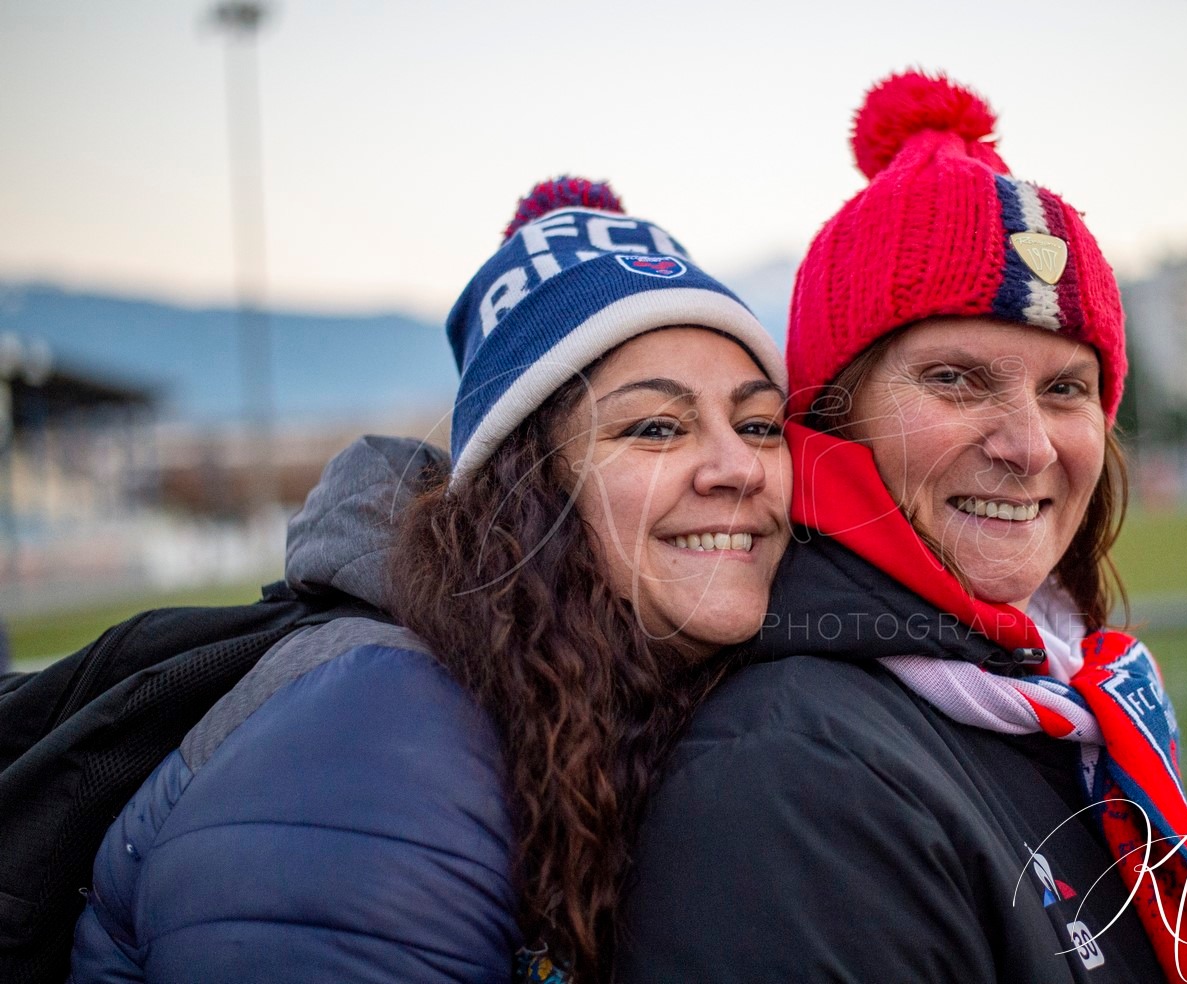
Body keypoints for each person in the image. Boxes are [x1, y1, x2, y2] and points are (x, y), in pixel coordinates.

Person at [616, 73, 1187, 982]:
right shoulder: (792, 777)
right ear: (829, 418)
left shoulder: (1052, 694)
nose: (1029, 446)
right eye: (957, 378)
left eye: (1066, 388)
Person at [67, 178, 790, 984]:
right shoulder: (375, 737)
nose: (739, 467)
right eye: (656, 427)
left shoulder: (604, 693)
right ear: (528, 489)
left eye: (760, 424)